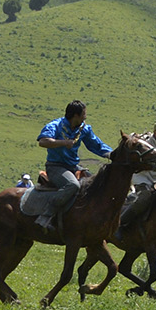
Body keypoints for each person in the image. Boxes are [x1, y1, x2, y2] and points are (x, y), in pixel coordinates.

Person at [37, 99, 115, 231]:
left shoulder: (83, 129)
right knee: (72, 185)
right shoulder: (55, 125)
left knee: (96, 185)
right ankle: (46, 215)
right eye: (84, 114)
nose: (85, 117)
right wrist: (64, 143)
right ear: (75, 115)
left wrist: (114, 155)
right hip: (55, 166)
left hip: (73, 167)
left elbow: (96, 145)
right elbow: (43, 142)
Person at [118, 119, 156, 235]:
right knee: (145, 197)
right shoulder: (146, 142)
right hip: (142, 177)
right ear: (155, 132)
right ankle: (120, 224)